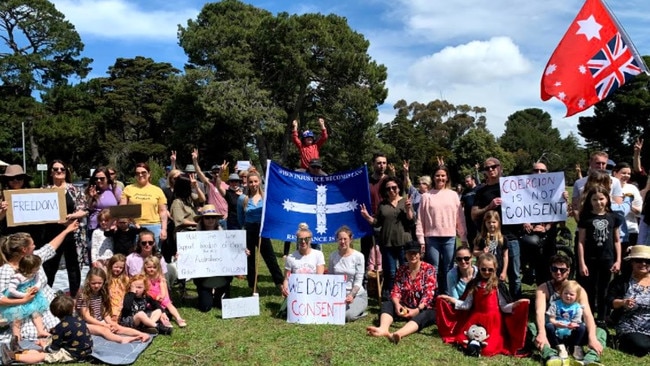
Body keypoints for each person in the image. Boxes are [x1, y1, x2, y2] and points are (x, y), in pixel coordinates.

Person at [437, 253, 530, 357]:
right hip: (475, 319)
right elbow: (467, 305)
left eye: (490, 270)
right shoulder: (474, 284)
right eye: (483, 269)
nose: (486, 272)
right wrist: (452, 300)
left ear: (495, 269)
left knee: (487, 349)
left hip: (493, 322)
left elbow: (503, 307)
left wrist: (515, 305)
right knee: (462, 340)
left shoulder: (498, 285)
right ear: (478, 267)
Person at [0, 221, 79, 340]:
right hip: (22, 309)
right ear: (24, 249)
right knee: (30, 335)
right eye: (32, 245)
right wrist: (23, 299)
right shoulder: (7, 270)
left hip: (45, 303)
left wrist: (67, 230)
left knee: (60, 327)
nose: (35, 246)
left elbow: (50, 247)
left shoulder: (35, 258)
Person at [532, 255, 606, 366]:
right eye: (554, 269)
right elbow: (539, 312)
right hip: (552, 332)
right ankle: (551, 355)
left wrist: (592, 337)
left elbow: (588, 315)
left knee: (600, 332)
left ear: (568, 271)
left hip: (575, 332)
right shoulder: (543, 289)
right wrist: (542, 333)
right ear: (550, 269)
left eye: (562, 270)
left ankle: (590, 358)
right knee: (532, 327)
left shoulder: (578, 289)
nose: (558, 272)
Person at [366, 241, 436, 344]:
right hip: (404, 305)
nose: (412, 256)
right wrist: (397, 304)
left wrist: (417, 309)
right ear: (405, 254)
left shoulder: (429, 269)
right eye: (409, 253)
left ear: (420, 254)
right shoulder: (402, 269)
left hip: (423, 307)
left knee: (425, 315)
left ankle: (398, 334)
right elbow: (396, 290)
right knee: (387, 304)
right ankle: (383, 329)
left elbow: (429, 294)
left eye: (415, 253)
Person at [471, 157, 523, 299]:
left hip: (511, 236)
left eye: (494, 166)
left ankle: (516, 304)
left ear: (500, 168)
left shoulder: (511, 187)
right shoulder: (482, 191)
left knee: (514, 273)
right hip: (491, 238)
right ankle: (496, 301)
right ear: (484, 172)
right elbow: (474, 214)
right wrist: (489, 207)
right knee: (493, 271)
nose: (491, 169)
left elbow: (526, 205)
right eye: (487, 168)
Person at [360, 176, 414, 299]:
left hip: (403, 242)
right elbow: (377, 223)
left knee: (405, 270)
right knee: (390, 272)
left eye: (394, 187)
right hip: (387, 242)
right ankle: (390, 297)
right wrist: (367, 216)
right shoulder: (382, 204)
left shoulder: (405, 201)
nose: (391, 190)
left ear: (399, 188)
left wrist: (408, 209)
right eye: (388, 188)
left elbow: (411, 221)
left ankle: (407, 296)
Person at [416, 165, 467, 293]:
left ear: (447, 177)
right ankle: (433, 295)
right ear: (433, 177)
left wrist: (463, 236)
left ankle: (448, 293)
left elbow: (459, 218)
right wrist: (421, 240)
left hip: (449, 237)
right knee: (434, 268)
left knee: (449, 268)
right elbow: (420, 220)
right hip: (431, 238)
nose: (440, 178)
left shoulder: (453, 195)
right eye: (437, 175)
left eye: (443, 175)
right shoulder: (426, 196)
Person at [1, 294, 93, 364]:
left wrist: (43, 346)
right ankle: (21, 352)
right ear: (72, 309)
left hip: (74, 354)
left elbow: (52, 350)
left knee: (42, 355)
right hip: (85, 349)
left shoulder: (60, 328)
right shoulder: (78, 319)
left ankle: (12, 357)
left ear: (54, 314)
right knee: (44, 348)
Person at [577, 186, 622, 324]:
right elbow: (581, 242)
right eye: (594, 199)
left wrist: (618, 260)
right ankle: (588, 316)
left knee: (604, 289)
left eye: (601, 199)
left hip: (607, 259)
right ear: (590, 201)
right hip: (590, 259)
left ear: (607, 199)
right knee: (590, 288)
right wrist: (582, 263)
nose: (598, 202)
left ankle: (602, 317)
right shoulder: (585, 217)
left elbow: (616, 240)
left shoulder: (613, 217)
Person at [42, 160, 87, 297]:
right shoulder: (44, 190)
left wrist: (69, 216)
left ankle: (74, 298)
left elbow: (83, 210)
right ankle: (45, 297)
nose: (59, 171)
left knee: (73, 267)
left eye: (62, 169)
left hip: (72, 233)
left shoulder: (75, 189)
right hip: (51, 234)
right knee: (49, 266)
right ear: (51, 172)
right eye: (56, 169)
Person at [192, 204, 245, 312]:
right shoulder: (193, 238)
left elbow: (233, 252)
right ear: (202, 219)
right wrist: (181, 256)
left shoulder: (225, 236)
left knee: (222, 306)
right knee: (205, 307)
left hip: (222, 278)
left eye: (213, 217)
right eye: (207, 217)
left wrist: (242, 252)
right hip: (204, 279)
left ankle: (219, 293)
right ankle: (206, 293)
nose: (210, 220)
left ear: (217, 219)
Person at [237, 171, 284, 290]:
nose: (253, 184)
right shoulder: (243, 199)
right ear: (247, 183)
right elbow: (240, 219)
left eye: (255, 181)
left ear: (259, 182)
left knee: (270, 258)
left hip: (262, 230)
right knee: (250, 260)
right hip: (249, 229)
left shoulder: (266, 197)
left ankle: (280, 283)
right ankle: (252, 285)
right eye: (250, 182)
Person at [75, 268, 149, 343]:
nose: (97, 286)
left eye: (99, 283)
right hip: (85, 323)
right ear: (88, 282)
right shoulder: (84, 296)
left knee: (118, 327)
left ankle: (141, 334)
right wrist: (103, 325)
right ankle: (121, 340)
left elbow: (105, 313)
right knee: (104, 330)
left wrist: (110, 323)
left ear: (103, 282)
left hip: (100, 321)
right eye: (93, 283)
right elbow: (86, 317)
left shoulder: (102, 293)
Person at [607, 245, 650, 357]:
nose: (644, 264)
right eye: (639, 260)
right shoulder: (622, 281)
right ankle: (618, 340)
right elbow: (610, 301)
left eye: (647, 261)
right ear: (632, 262)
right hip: (630, 325)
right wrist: (622, 302)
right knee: (641, 347)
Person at [0, 255, 50, 339]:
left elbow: (38, 281)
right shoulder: (18, 277)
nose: (38, 269)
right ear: (29, 268)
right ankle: (16, 335)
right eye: (36, 268)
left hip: (31, 295)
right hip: (18, 296)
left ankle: (40, 330)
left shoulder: (35, 273)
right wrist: (24, 296)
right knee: (17, 317)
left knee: (36, 313)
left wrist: (36, 287)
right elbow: (11, 290)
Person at [119, 163, 168, 248]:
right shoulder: (128, 189)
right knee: (135, 255)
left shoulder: (157, 190)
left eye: (143, 172)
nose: (140, 175)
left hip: (154, 226)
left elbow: (163, 211)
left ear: (149, 174)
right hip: (134, 227)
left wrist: (164, 229)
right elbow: (122, 209)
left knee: (153, 257)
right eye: (137, 173)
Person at [328, 226, 367, 322]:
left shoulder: (359, 256)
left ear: (350, 239)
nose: (342, 242)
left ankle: (360, 311)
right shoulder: (333, 256)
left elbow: (358, 281)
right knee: (331, 314)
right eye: (340, 239)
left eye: (345, 239)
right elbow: (331, 277)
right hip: (338, 295)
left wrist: (351, 295)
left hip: (356, 295)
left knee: (347, 316)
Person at [360, 153, 390, 274]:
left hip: (385, 221)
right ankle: (366, 279)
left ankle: (385, 280)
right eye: (379, 163)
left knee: (385, 251)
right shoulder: (366, 181)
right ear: (373, 164)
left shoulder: (389, 181)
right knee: (367, 251)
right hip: (367, 220)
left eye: (384, 163)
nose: (381, 165)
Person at [546, 280, 586, 362]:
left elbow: (576, 322)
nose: (568, 296)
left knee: (582, 327)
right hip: (558, 330)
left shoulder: (578, 307)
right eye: (566, 293)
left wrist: (571, 325)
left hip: (570, 332)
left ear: (576, 296)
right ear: (561, 293)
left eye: (571, 294)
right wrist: (556, 323)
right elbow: (551, 319)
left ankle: (575, 346)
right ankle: (559, 347)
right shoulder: (555, 304)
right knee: (549, 326)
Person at [281, 224, 325, 297]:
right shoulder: (291, 258)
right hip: (296, 295)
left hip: (313, 293)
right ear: (297, 240)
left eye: (306, 239)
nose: (303, 241)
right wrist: (285, 288)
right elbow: (286, 279)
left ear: (310, 240)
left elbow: (319, 277)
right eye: (300, 239)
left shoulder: (318, 255)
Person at [143, 256, 186, 327]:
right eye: (149, 267)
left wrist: (162, 296)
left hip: (161, 295)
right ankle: (165, 321)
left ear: (158, 268)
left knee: (169, 304)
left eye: (154, 267)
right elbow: (146, 291)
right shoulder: (144, 278)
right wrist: (154, 297)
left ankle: (178, 318)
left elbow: (163, 288)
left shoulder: (159, 277)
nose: (152, 269)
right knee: (157, 308)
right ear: (145, 267)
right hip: (151, 298)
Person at [191, 149, 229, 227]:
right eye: (214, 172)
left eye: (218, 172)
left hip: (225, 217)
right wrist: (195, 160)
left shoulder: (226, 185)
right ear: (211, 173)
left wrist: (228, 214)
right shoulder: (209, 183)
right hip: (212, 217)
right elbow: (199, 172)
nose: (216, 174)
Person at [85, 167, 122, 246]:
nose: (98, 181)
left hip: (111, 227)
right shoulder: (90, 190)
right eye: (96, 178)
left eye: (102, 178)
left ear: (108, 178)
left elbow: (121, 207)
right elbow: (86, 209)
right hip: (94, 226)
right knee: (94, 251)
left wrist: (117, 223)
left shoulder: (115, 190)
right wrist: (92, 197)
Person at [613, 162, 643, 251]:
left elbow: (640, 211)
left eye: (629, 173)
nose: (627, 176)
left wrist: (627, 205)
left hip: (631, 230)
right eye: (623, 173)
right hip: (613, 230)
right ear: (615, 173)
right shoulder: (608, 188)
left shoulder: (632, 188)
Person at [473, 210, 508, 283]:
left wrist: (504, 271)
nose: (491, 224)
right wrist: (482, 252)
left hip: (498, 269)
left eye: (494, 222)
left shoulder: (502, 239)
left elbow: (505, 256)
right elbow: (474, 252)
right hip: (484, 269)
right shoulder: (481, 238)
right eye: (488, 222)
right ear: (485, 223)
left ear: (498, 223)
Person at [106, 254, 129, 322]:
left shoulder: (125, 279)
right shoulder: (107, 278)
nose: (118, 269)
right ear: (111, 266)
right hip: (110, 304)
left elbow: (126, 294)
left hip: (120, 304)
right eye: (116, 267)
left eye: (121, 268)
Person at [460, 174, 479, 246]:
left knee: (479, 241)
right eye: (465, 182)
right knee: (471, 240)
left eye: (468, 181)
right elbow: (461, 204)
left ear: (473, 180)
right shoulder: (465, 192)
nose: (466, 183)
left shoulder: (479, 188)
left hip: (478, 219)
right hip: (468, 219)